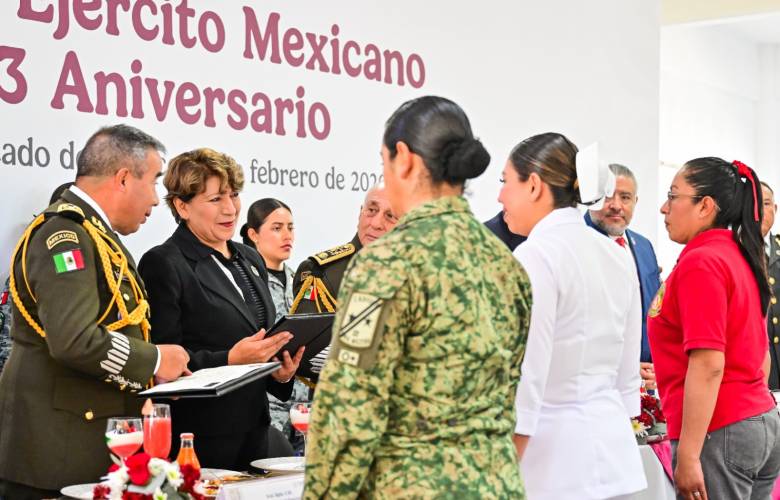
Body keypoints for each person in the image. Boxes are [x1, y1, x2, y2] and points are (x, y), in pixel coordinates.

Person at [304, 96, 531, 498]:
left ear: (404, 159)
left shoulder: (385, 263)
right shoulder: (506, 264)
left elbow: (350, 411)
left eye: (383, 161)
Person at [0, 125, 190, 498]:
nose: (155, 200)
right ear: (122, 178)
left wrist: (147, 379)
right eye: (153, 181)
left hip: (85, 449)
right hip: (56, 458)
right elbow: (73, 340)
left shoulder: (96, 236)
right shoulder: (65, 235)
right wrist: (152, 361)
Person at [500, 132, 646, 499]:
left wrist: (500, 471)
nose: (501, 196)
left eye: (506, 182)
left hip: (552, 464)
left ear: (533, 185)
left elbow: (525, 378)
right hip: (615, 456)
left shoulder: (536, 256)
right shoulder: (616, 254)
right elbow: (627, 371)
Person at [138, 148, 304, 471]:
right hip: (199, 444)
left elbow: (258, 343)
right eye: (215, 199)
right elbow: (164, 367)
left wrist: (279, 375)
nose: (230, 208)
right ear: (182, 206)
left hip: (255, 436)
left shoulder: (250, 257)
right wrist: (229, 359)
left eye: (234, 195)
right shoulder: (164, 263)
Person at [650, 158, 780, 499]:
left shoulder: (702, 262)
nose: (664, 207)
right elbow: (761, 355)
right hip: (756, 419)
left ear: (705, 206)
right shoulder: (738, 254)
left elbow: (708, 364)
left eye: (673, 195)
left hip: (719, 430)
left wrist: (690, 454)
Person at [240, 198, 309, 453]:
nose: (286, 235)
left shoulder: (300, 281)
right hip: (268, 407)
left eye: (290, 227)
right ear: (253, 234)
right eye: (277, 228)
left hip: (303, 409)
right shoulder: (245, 283)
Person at [585, 163, 662, 390]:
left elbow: (653, 313)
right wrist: (625, 366)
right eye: (608, 196)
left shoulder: (644, 246)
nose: (616, 205)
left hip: (645, 385)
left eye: (625, 197)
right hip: (596, 384)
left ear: (635, 202)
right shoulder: (574, 243)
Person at [290, 185, 398, 315]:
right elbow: (309, 333)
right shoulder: (319, 273)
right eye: (372, 210)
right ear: (360, 213)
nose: (376, 224)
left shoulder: (417, 272)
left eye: (390, 216)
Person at [761, 181, 780, 390]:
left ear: (774, 208)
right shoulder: (734, 249)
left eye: (766, 204)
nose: (760, 211)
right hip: (758, 363)